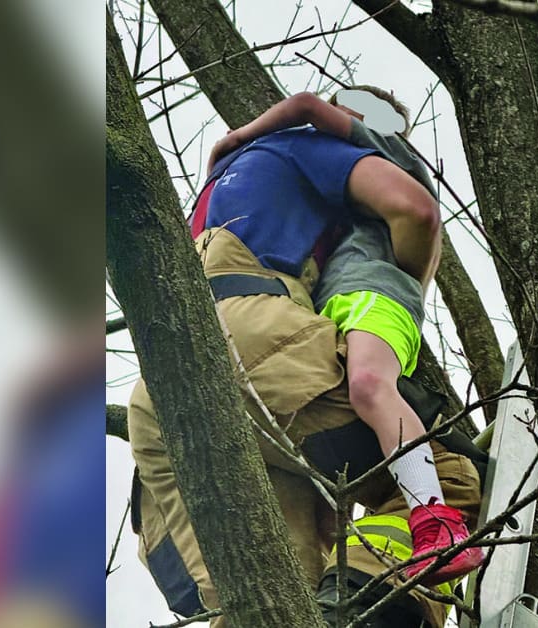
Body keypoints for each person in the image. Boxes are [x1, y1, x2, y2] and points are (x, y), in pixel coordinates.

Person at [128, 89, 483, 628]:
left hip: (161, 396)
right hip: (259, 346)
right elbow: (415, 209)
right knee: (455, 475)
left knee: (278, 597)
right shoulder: (308, 147)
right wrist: (403, 284)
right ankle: (357, 614)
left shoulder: (209, 194)